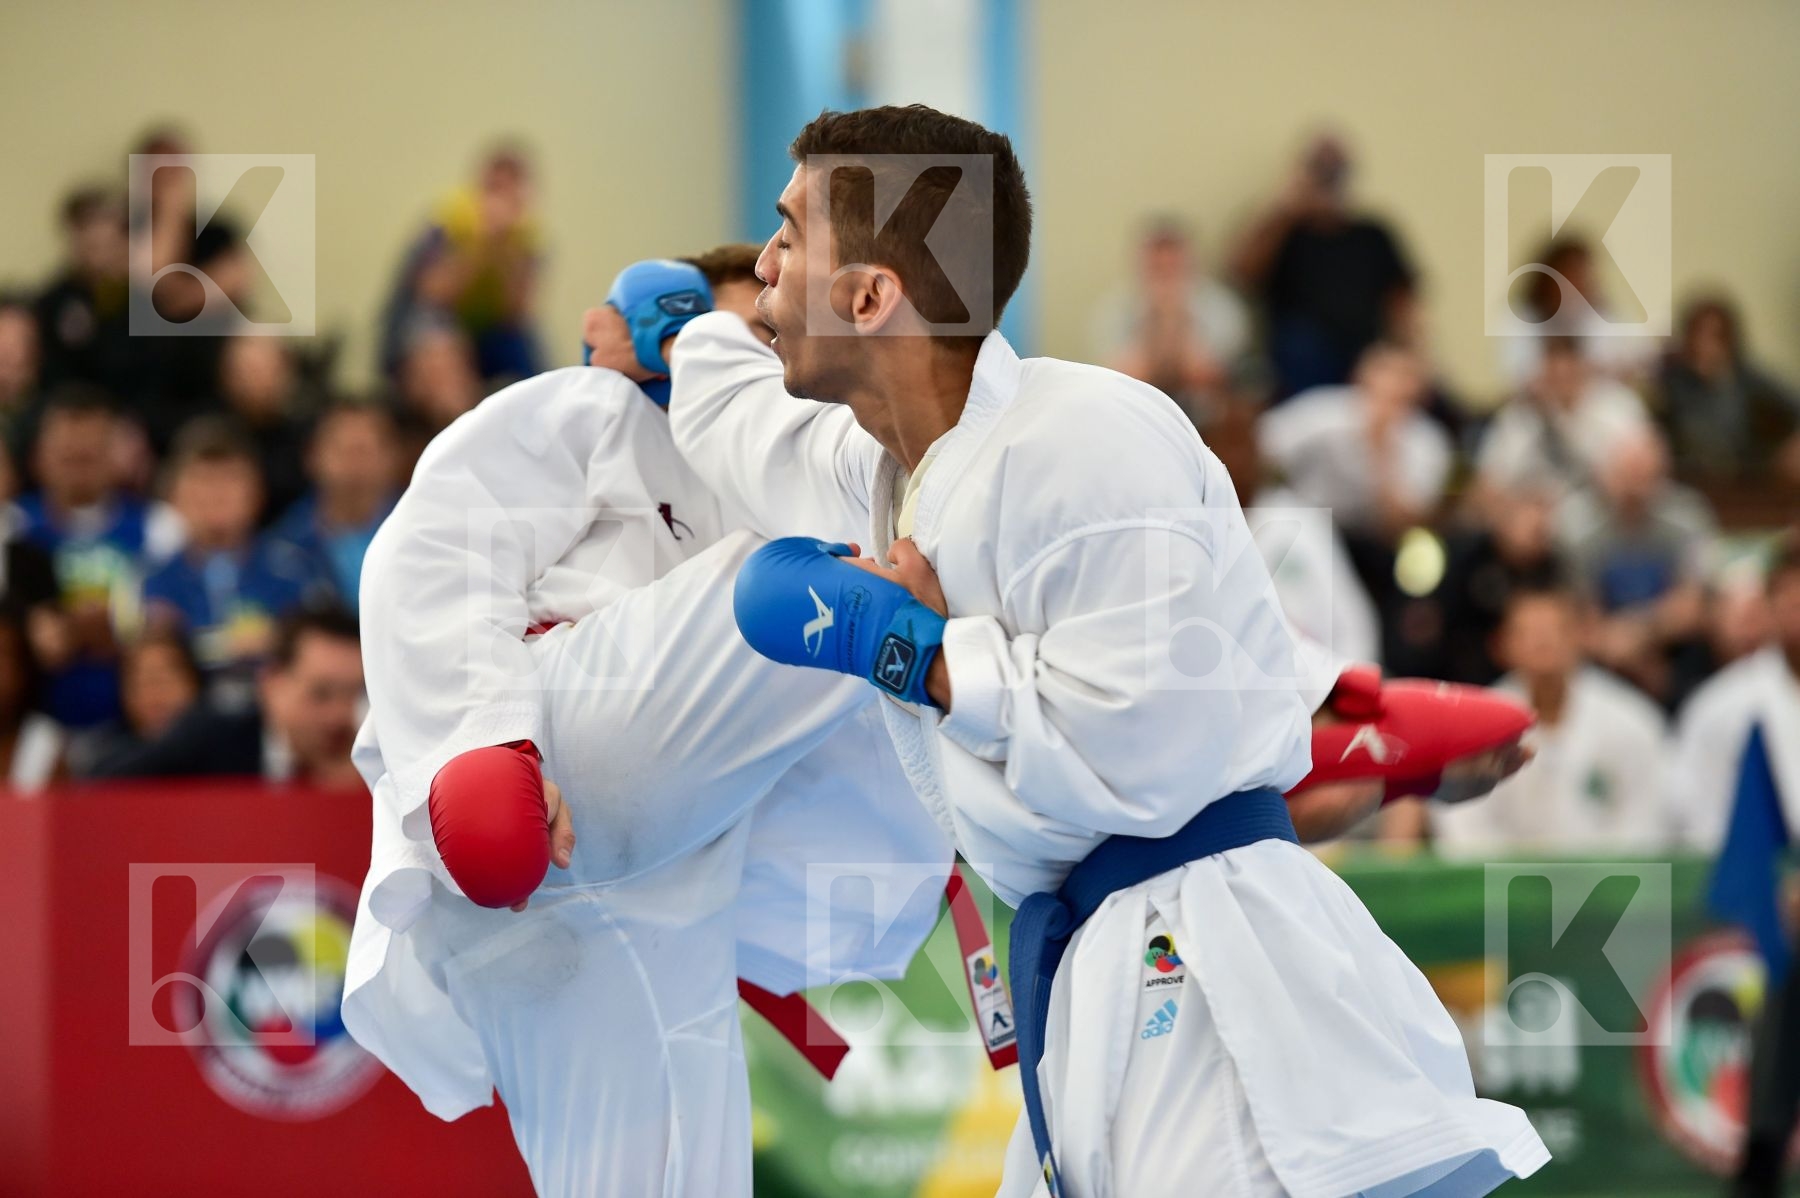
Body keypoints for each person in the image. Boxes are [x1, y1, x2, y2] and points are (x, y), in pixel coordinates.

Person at [601, 105, 1546, 1198]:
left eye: (787, 231)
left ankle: (1346, 731)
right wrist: (675, 329)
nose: (762, 263)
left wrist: (918, 651)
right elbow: (742, 426)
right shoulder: (877, 465)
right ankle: (1351, 728)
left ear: (871, 296)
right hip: (1097, 966)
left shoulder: (1088, 437)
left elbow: (1146, 745)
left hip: (1211, 968)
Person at [341, 247, 952, 1198]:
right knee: (842, 549)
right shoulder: (602, 415)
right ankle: (894, 597)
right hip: (548, 746)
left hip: (640, 885)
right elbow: (436, 540)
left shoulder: (793, 464)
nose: (768, 351)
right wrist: (478, 739)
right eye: (746, 330)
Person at [1428, 581, 1671, 853]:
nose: (1543, 642)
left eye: (1557, 630)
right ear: (1503, 644)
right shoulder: (1473, 730)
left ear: (1582, 635)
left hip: (1609, 886)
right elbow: (1463, 828)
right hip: (1502, 887)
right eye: (1527, 633)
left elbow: (1646, 821)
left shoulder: (1633, 722)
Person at [17, 386, 181, 727]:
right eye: (68, 457)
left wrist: (80, 627)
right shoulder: (12, 526)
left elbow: (170, 623)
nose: (78, 468)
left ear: (114, 455)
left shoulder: (160, 526)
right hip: (36, 721)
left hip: (135, 724)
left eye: (89, 457)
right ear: (40, 456)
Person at [1228, 132, 1417, 398]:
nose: (1328, 180)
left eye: (1335, 171)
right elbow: (1241, 272)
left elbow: (1404, 303)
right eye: (1320, 169)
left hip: (1364, 356)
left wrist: (1412, 353)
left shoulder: (1372, 234)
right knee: (1301, 345)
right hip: (1302, 361)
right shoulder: (1284, 234)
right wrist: (1284, 207)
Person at [140, 417, 316, 703]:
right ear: (174, 495)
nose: (216, 494)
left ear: (257, 493)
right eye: (202, 480)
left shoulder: (292, 569)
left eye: (230, 479)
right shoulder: (152, 578)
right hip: (186, 723)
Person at [88, 606, 364, 787]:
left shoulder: (377, 760)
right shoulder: (209, 740)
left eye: (355, 694)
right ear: (271, 685)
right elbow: (100, 786)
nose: (340, 715)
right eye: (321, 694)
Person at [379, 144, 543, 384]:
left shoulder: (528, 240)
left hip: (488, 331)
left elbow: (515, 313)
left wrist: (506, 254)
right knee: (443, 349)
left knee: (532, 358)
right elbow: (434, 294)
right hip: (426, 324)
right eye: (494, 190)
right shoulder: (445, 223)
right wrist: (482, 247)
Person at [1089, 218, 1251, 426]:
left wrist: (1176, 320)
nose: (1166, 278)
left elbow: (1204, 375)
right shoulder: (1114, 310)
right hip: (1136, 418)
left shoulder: (1222, 308)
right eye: (1157, 268)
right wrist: (1155, 323)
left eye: (1173, 267)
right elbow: (1128, 378)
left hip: (1207, 420)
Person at [1474, 336, 1650, 502]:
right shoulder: (1521, 416)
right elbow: (1490, 481)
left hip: (1606, 504)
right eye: (1555, 376)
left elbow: (1643, 464)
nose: (1562, 384)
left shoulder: (1617, 404)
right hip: (1536, 508)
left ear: (1584, 369)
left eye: (1569, 375)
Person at [264, 402, 401, 613]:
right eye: (342, 450)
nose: (355, 463)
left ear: (392, 457)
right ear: (312, 457)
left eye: (365, 450)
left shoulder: (423, 534)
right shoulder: (283, 550)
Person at [1654, 294, 1800, 487]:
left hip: (1746, 475)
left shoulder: (1744, 374)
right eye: (1699, 334)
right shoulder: (1673, 377)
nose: (1706, 344)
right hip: (1688, 478)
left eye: (1715, 336)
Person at [68, 630, 202, 777]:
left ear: (193, 684)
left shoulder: (221, 752)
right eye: (143, 683)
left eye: (164, 681)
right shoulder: (102, 757)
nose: (156, 696)